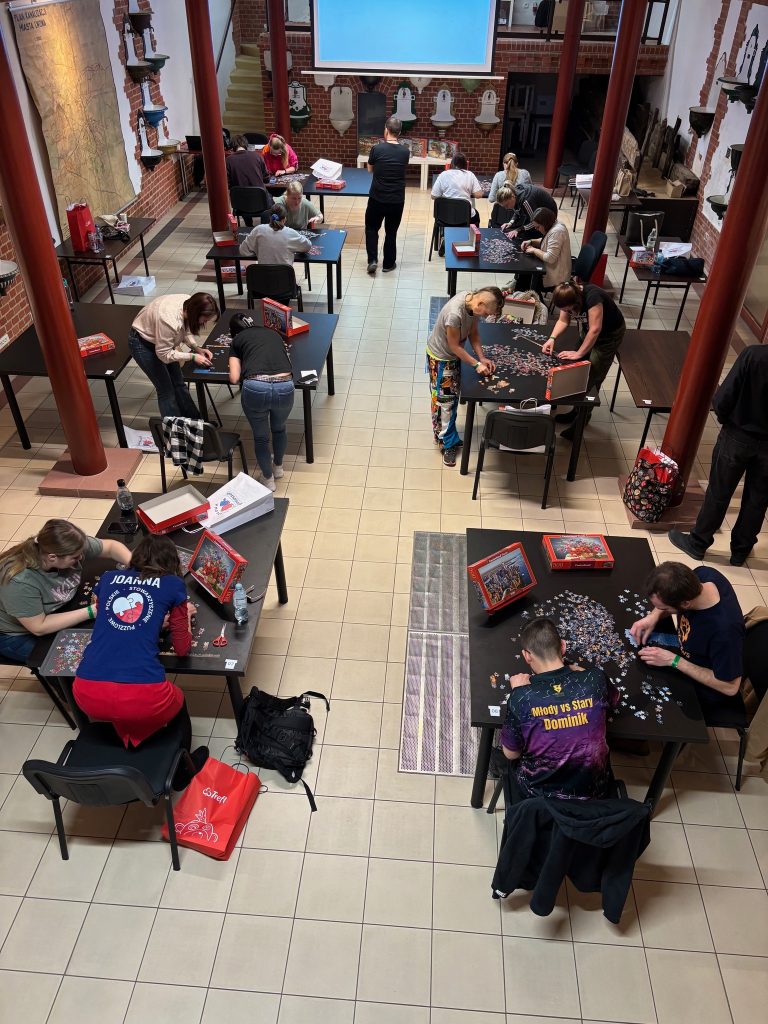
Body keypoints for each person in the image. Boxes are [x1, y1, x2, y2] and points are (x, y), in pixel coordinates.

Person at [72, 536, 208, 777]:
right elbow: (182, 648)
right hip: (144, 696)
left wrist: (151, 621)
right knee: (177, 699)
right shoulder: (173, 584)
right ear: (172, 563)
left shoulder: (108, 578)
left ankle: (124, 746)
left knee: (120, 708)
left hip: (86, 693)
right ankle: (184, 768)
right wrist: (184, 615)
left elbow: (110, 616)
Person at [667, 344, 768, 567]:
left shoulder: (754, 354)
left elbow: (726, 393)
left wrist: (725, 419)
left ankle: (698, 543)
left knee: (719, 491)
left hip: (738, 434)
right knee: (758, 499)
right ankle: (740, 551)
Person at [500, 617, 618, 801]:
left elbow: (511, 754)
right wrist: (580, 672)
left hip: (540, 800)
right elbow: (614, 700)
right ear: (563, 646)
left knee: (505, 753)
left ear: (527, 656)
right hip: (595, 796)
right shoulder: (596, 679)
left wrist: (518, 692)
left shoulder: (522, 697)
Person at [0, 520, 132, 664]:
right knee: (80, 661)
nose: (81, 557)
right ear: (52, 557)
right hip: (19, 634)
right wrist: (93, 610)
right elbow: (39, 627)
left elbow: (111, 547)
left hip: (57, 609)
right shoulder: (19, 582)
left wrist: (136, 566)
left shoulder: (68, 545)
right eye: (75, 557)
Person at [630, 562, 744, 714]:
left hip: (705, 684)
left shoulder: (724, 633)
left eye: (664, 608)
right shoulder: (702, 575)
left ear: (685, 603)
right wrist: (653, 616)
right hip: (685, 651)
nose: (660, 610)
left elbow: (731, 687)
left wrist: (673, 660)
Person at [426, 287, 501, 467]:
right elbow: (454, 346)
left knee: (451, 399)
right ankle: (447, 444)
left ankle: (449, 435)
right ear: (480, 303)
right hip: (442, 359)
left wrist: (482, 358)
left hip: (452, 357)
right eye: (486, 313)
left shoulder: (472, 304)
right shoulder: (454, 314)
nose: (485, 317)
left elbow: (473, 333)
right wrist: (476, 364)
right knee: (445, 403)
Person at [542, 279, 626, 439]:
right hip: (588, 331)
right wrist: (551, 338)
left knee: (592, 378)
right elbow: (563, 320)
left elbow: (595, 329)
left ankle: (580, 423)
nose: (568, 312)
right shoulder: (567, 296)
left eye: (569, 309)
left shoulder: (593, 297)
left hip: (609, 336)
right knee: (577, 370)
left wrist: (579, 353)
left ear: (577, 301)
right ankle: (575, 411)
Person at [228, 312, 295, 492]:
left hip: (256, 387)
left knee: (261, 437)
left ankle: (268, 479)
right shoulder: (273, 333)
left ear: (234, 332)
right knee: (279, 428)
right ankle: (278, 467)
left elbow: (234, 378)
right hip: (284, 386)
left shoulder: (237, 340)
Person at [129, 293, 219, 419]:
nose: (206, 322)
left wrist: (196, 348)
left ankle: (195, 423)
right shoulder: (169, 320)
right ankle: (176, 429)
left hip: (162, 341)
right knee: (166, 391)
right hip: (143, 343)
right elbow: (164, 354)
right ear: (196, 313)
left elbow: (185, 329)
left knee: (179, 384)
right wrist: (192, 356)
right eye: (205, 319)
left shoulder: (189, 303)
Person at [365, 116, 410, 275]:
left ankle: (372, 260)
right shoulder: (405, 152)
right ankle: (388, 264)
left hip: (377, 197)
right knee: (391, 232)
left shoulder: (377, 149)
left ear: (386, 129)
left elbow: (370, 169)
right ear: (400, 132)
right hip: (397, 199)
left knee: (372, 228)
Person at [239, 206, 312, 303]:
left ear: (270, 217)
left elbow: (243, 250)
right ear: (285, 219)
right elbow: (307, 246)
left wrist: (257, 250)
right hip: (285, 287)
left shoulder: (258, 230)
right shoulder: (290, 233)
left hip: (261, 286)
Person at [520, 207, 572, 291]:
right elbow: (547, 240)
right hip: (551, 269)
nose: (536, 229)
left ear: (545, 223)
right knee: (523, 275)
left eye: (538, 227)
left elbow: (550, 258)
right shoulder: (554, 224)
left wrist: (534, 250)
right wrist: (531, 241)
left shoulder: (557, 232)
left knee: (524, 279)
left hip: (556, 278)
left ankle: (528, 297)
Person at [431, 152, 483, 227]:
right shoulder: (470, 175)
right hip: (465, 217)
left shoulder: (443, 174)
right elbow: (478, 195)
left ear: (452, 163)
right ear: (465, 164)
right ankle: (471, 234)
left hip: (444, 216)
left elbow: (433, 196)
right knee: (475, 214)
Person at [226, 135, 268, 226]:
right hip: (260, 201)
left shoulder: (228, 160)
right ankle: (263, 226)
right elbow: (266, 178)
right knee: (270, 201)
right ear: (246, 144)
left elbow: (228, 183)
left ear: (232, 147)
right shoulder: (257, 156)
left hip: (240, 204)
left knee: (243, 193)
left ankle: (249, 225)